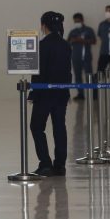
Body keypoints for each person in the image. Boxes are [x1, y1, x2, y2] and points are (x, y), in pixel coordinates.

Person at [29, 11, 71, 177]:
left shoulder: (42, 45)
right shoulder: (65, 44)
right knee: (59, 127)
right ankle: (60, 165)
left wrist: (34, 92)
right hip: (61, 93)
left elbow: (39, 73)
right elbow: (67, 72)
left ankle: (45, 163)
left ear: (43, 25)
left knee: (37, 127)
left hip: (45, 94)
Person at [67, 13, 96, 100]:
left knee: (89, 76)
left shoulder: (89, 30)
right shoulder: (73, 31)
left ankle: (93, 94)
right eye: (75, 21)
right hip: (76, 57)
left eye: (78, 21)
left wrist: (83, 40)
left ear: (82, 20)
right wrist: (72, 40)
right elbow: (67, 43)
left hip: (86, 57)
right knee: (78, 76)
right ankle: (80, 94)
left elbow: (94, 41)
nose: (77, 22)